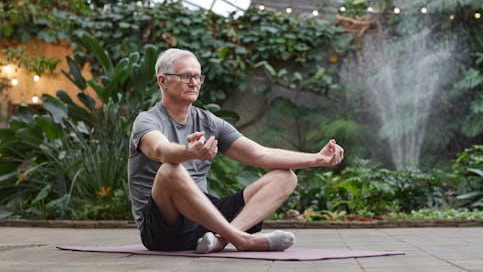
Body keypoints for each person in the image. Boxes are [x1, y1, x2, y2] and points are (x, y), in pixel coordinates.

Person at [128, 48, 344, 253]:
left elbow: (261, 155)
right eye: (186, 76)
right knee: (169, 171)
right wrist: (189, 152)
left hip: (205, 222)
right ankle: (241, 239)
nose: (194, 82)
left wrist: (318, 158)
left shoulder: (209, 122)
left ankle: (220, 240)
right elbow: (161, 150)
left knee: (285, 177)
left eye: (198, 77)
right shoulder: (147, 121)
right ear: (163, 80)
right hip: (163, 229)